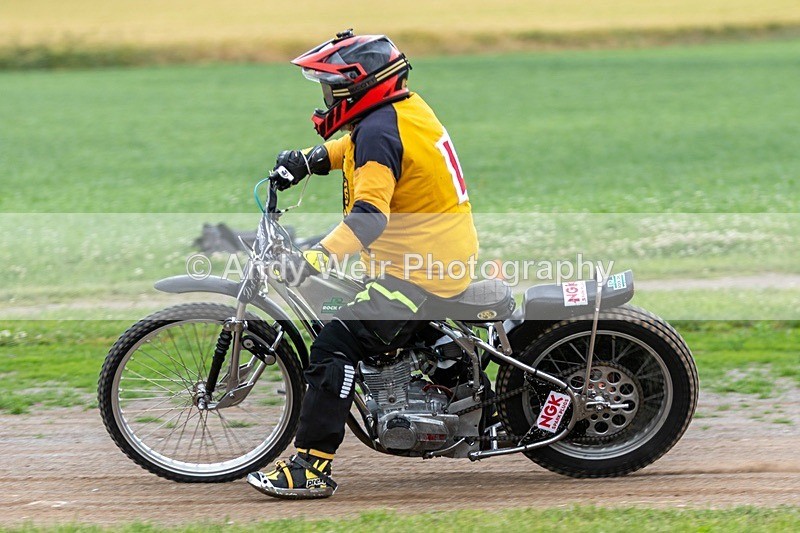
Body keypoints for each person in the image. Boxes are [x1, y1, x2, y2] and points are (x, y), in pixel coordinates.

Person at [247, 30, 479, 499]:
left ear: (359, 86)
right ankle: (445, 365)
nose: (326, 97)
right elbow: (369, 154)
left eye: (332, 88)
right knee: (343, 290)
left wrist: (312, 259)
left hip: (420, 272)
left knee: (335, 342)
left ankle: (311, 468)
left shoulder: (377, 130)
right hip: (433, 257)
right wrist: (314, 159)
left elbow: (369, 218)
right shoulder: (399, 112)